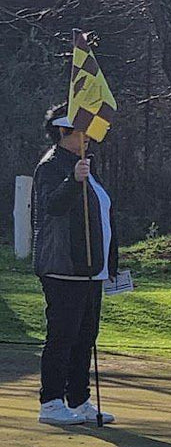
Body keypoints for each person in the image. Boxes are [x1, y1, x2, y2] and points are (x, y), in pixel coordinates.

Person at [31, 106, 117, 427]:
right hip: (64, 266)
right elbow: (53, 205)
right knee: (62, 335)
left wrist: (109, 265)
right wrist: (73, 180)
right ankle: (51, 401)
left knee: (85, 336)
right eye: (81, 131)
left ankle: (78, 399)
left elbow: (102, 218)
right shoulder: (52, 165)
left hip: (91, 269)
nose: (87, 136)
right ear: (64, 133)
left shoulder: (86, 166)